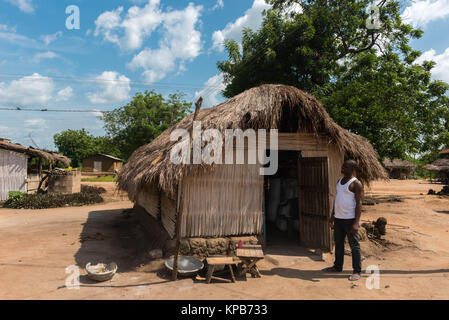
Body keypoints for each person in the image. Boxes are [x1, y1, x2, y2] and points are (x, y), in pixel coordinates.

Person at [323, 159, 363, 281]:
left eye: (345, 167)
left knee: (354, 246)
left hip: (350, 219)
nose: (342, 168)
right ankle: (337, 266)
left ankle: (357, 271)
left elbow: (359, 203)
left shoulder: (356, 183)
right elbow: (337, 200)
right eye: (343, 166)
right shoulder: (339, 181)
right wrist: (332, 216)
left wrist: (356, 222)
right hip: (339, 219)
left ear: (351, 169)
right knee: (338, 244)